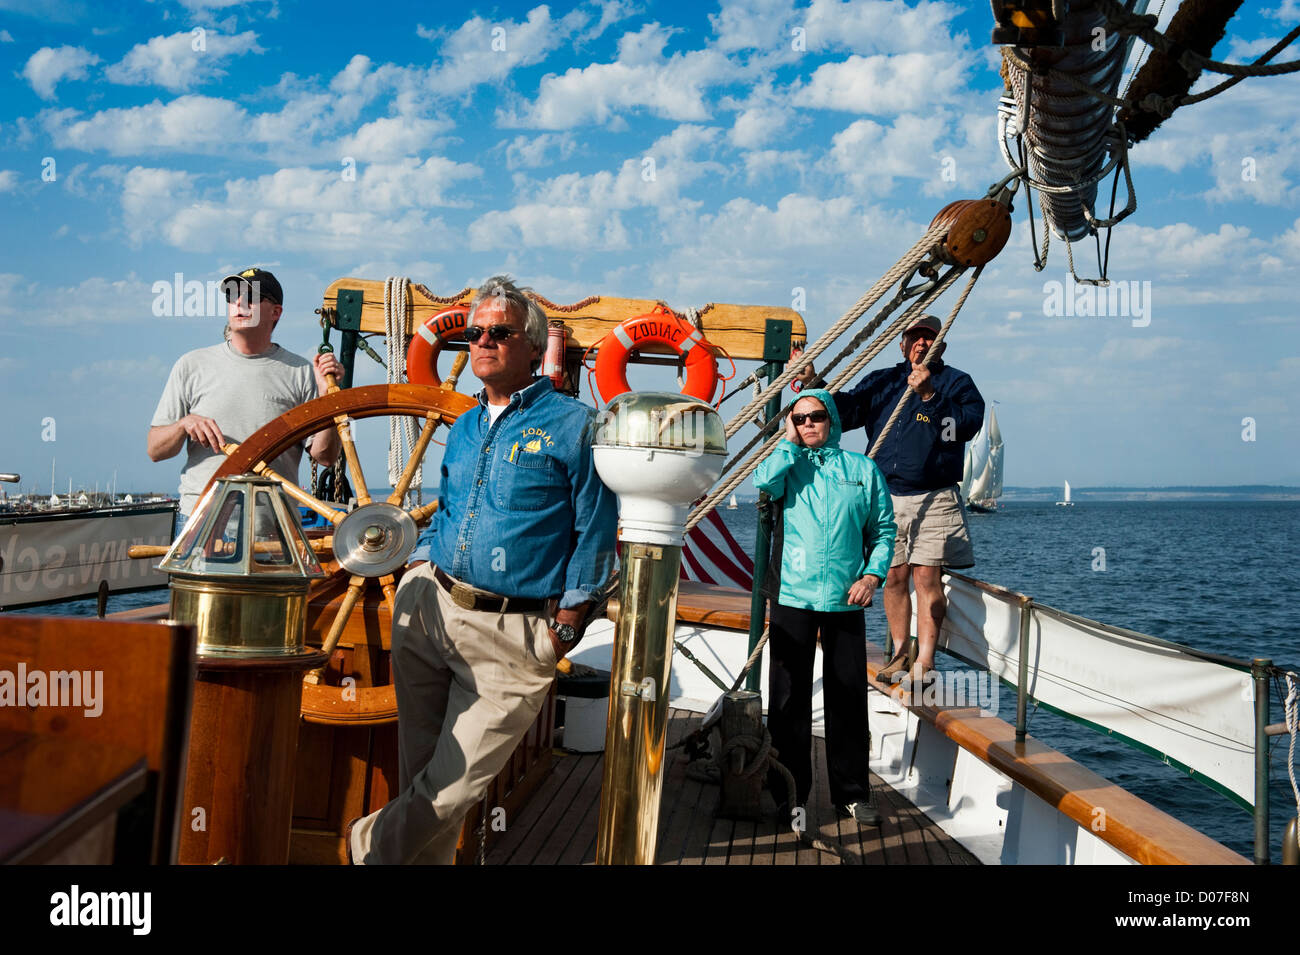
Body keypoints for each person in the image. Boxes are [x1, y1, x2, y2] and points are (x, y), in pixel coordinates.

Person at [348, 275, 618, 865]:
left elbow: (595, 534)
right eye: (475, 333)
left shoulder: (575, 426)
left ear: (531, 345)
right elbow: (447, 508)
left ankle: (363, 846)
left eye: (500, 332)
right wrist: (418, 570)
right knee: (423, 781)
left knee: (447, 792)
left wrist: (565, 627)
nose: (483, 342)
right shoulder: (466, 425)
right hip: (428, 609)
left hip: (514, 633)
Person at [793, 313, 984, 683]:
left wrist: (929, 395)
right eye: (915, 337)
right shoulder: (883, 381)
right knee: (893, 576)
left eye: (929, 338)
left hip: (935, 495)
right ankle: (901, 652)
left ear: (940, 346)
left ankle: (925, 663)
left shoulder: (957, 383)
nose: (922, 344)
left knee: (927, 577)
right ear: (902, 344)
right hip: (885, 496)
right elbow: (844, 412)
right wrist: (812, 381)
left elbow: (964, 427)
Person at [754, 389, 895, 825]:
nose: (808, 423)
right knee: (788, 700)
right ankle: (788, 793)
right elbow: (763, 481)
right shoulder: (787, 464)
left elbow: (885, 529)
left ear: (831, 420)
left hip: (846, 599)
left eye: (816, 416)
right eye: (799, 419)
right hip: (794, 597)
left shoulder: (862, 469)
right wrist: (787, 443)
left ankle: (851, 793)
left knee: (848, 699)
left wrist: (872, 576)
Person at [148, 267, 341, 519]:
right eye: (232, 295)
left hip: (274, 526)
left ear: (275, 312)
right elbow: (155, 450)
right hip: (200, 522)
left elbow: (325, 456)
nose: (239, 302)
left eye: (251, 296)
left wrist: (329, 399)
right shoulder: (191, 365)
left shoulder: (301, 372)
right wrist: (184, 424)